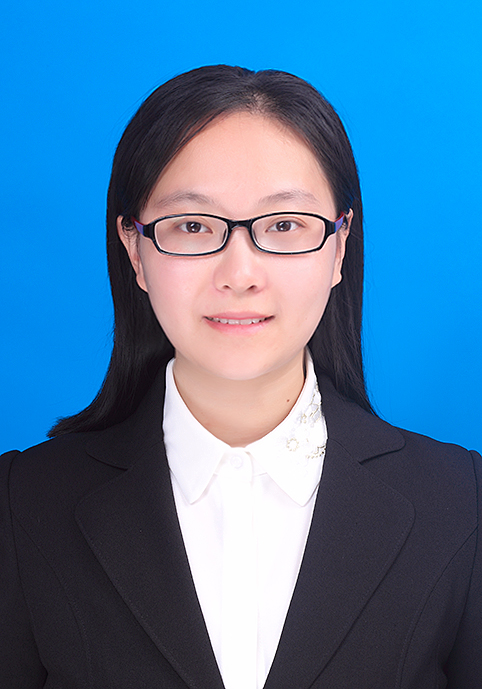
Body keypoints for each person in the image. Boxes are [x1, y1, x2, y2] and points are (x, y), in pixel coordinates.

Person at [1, 65, 480, 689]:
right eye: (193, 226)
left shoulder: (460, 505)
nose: (239, 274)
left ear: (339, 247)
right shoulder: (23, 506)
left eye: (283, 225)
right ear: (134, 250)